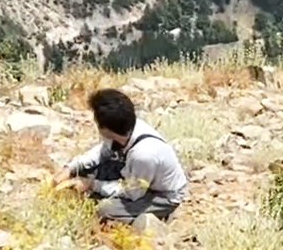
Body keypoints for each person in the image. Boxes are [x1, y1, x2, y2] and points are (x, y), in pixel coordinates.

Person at [57, 88, 190, 224]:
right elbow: (101, 152)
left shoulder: (144, 154)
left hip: (161, 195)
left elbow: (132, 192)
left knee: (104, 209)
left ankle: (157, 216)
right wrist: (71, 168)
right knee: (87, 172)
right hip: (137, 176)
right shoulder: (125, 128)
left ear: (105, 129)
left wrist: (92, 185)